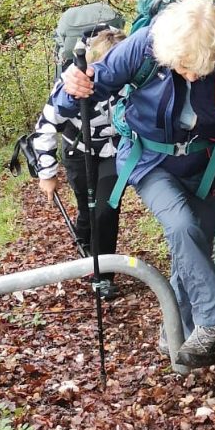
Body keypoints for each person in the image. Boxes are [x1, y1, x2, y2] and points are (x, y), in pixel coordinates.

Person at [59, 0, 215, 369]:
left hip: (208, 163)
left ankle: (177, 338)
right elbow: (89, 87)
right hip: (150, 160)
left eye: (201, 69)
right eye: (184, 67)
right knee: (182, 227)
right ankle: (214, 318)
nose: (192, 76)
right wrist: (71, 87)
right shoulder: (144, 46)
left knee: (194, 247)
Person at [33, 25, 124, 294]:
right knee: (87, 209)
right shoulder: (70, 84)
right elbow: (46, 126)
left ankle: (103, 275)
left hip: (113, 152)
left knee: (106, 209)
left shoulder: (131, 79)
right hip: (78, 151)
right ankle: (86, 251)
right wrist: (47, 173)